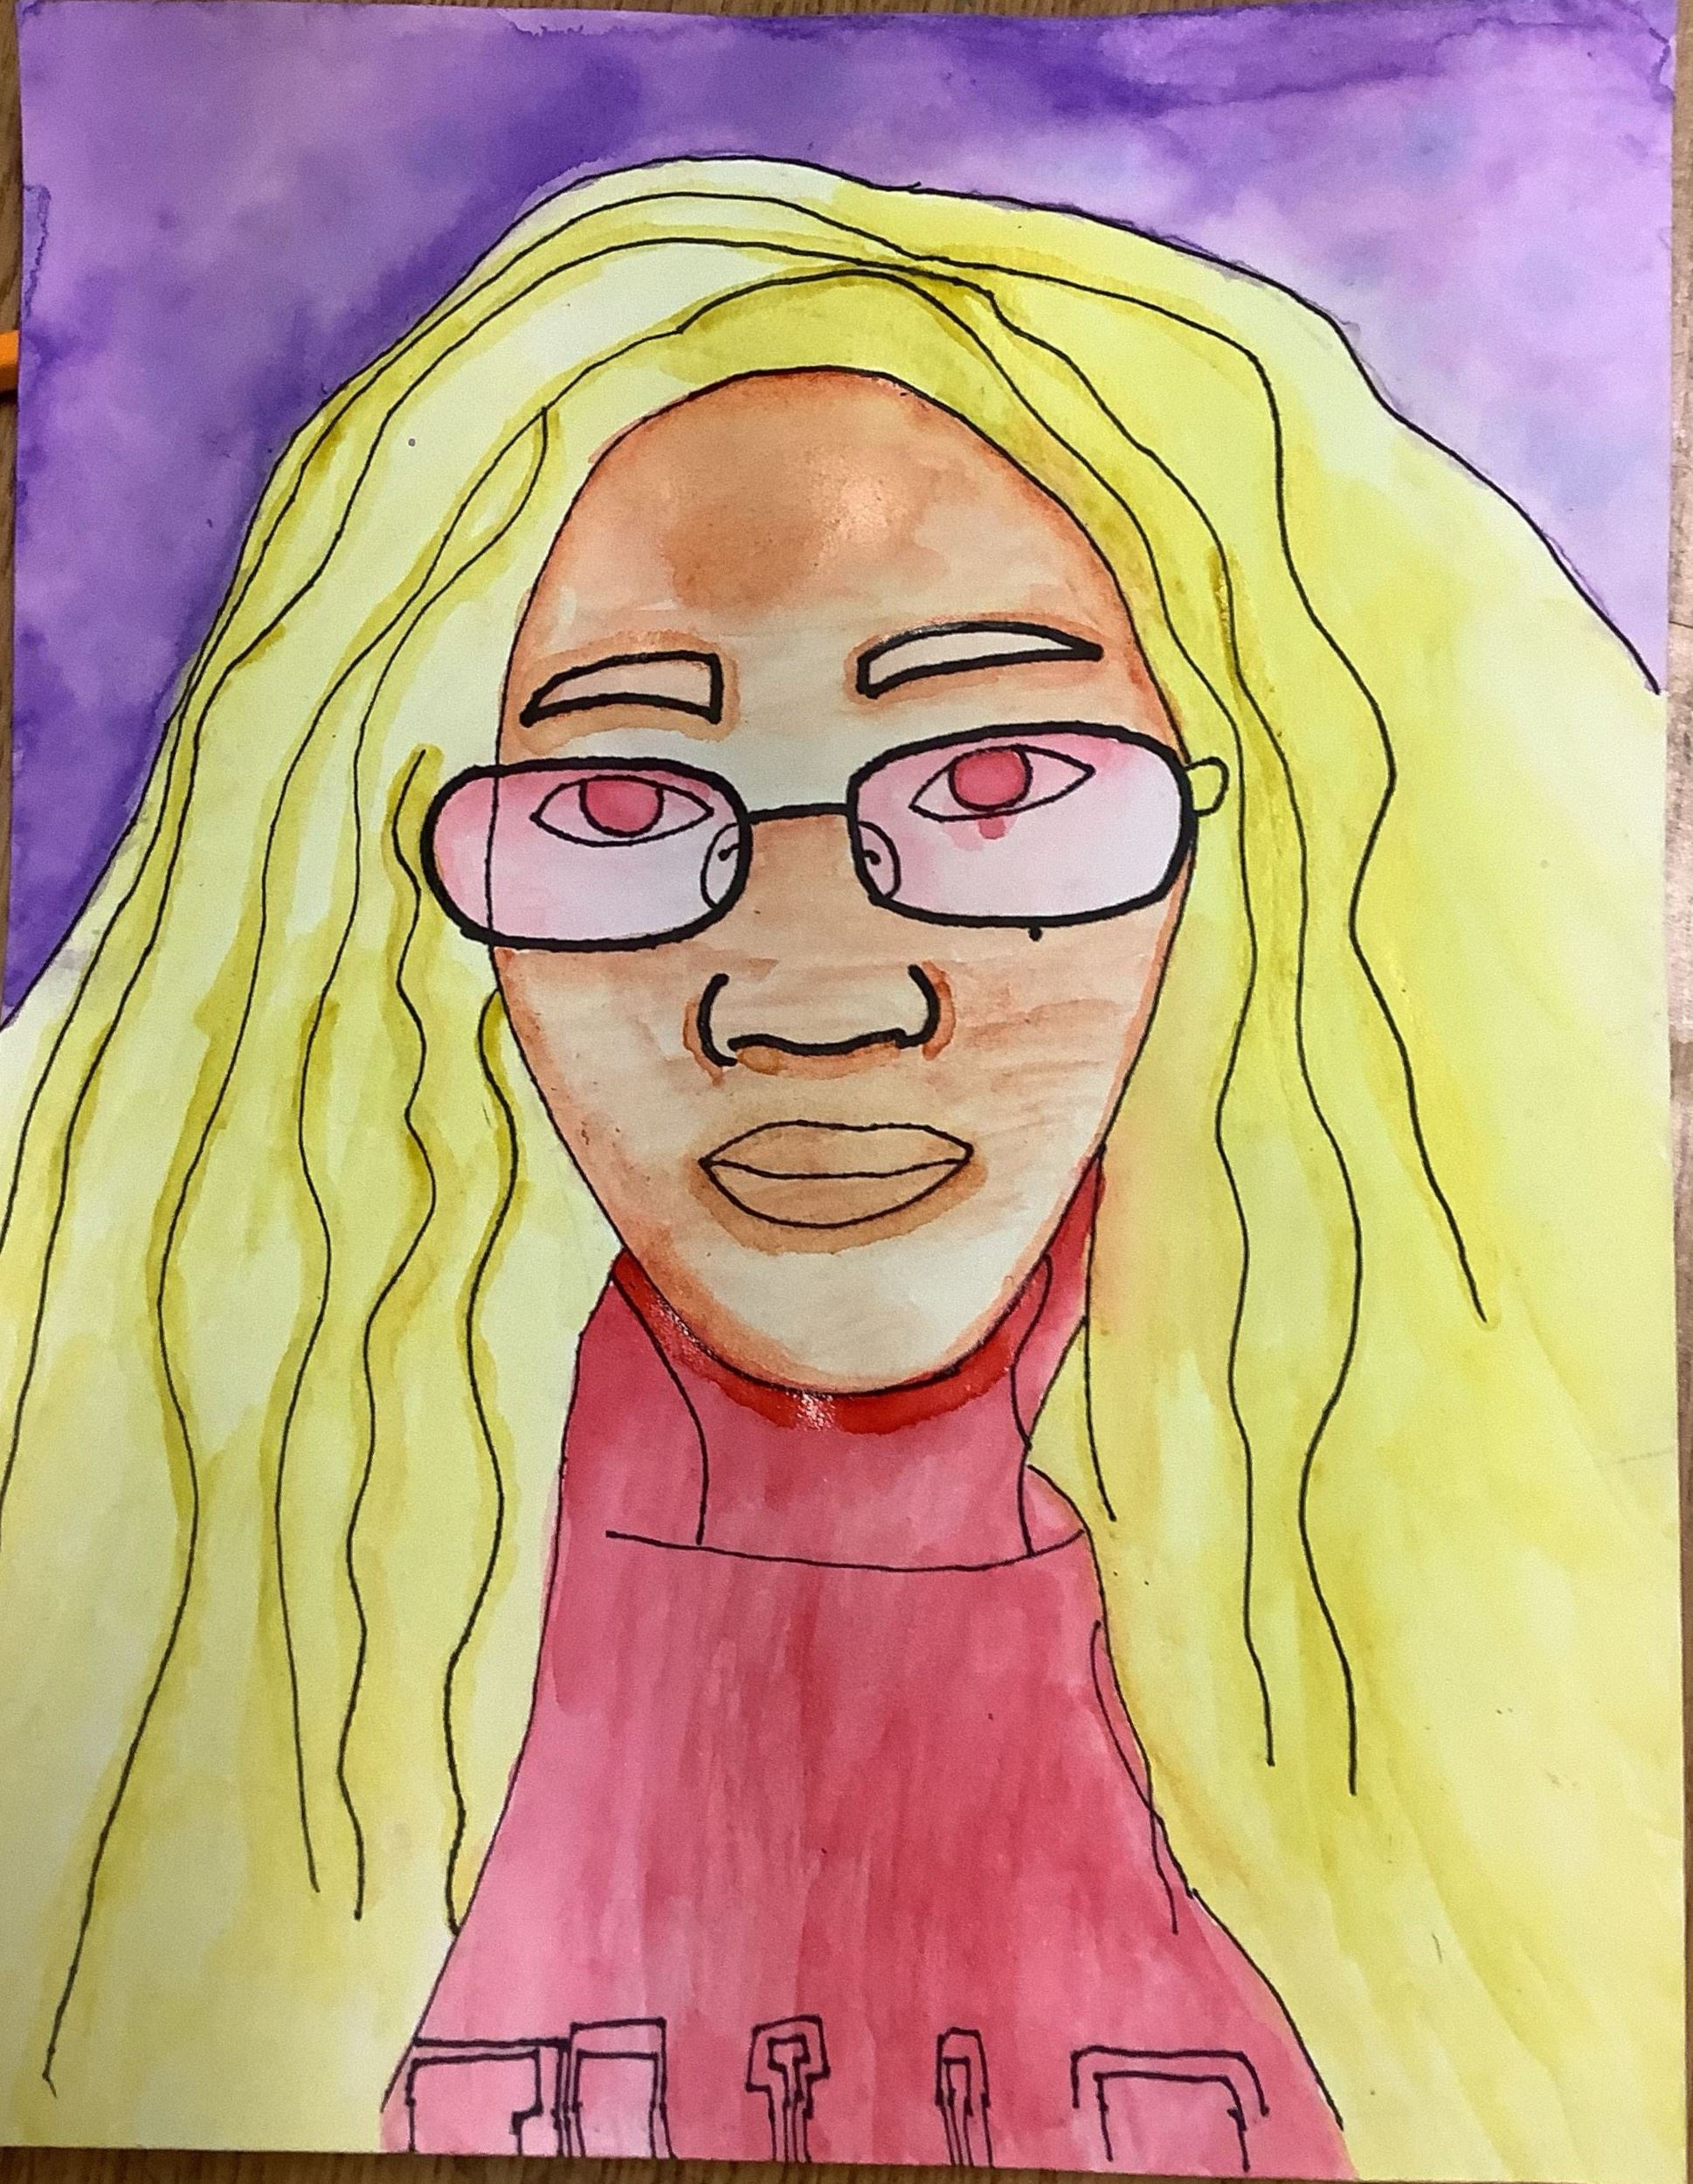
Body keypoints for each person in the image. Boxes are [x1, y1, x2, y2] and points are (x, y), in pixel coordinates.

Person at [0, 159, 1676, 2180]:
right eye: (620, 803)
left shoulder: (1534, 1607)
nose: (811, 994)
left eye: (997, 779)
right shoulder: (211, 1613)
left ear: (1258, 832)